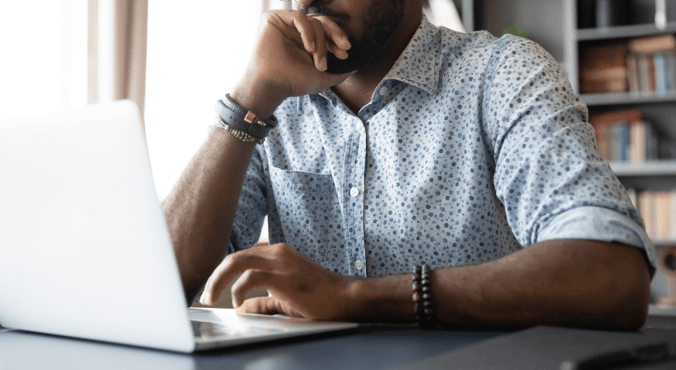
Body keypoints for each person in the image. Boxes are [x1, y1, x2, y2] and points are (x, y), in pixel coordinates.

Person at [163, 0, 656, 330]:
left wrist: (357, 297)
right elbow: (164, 281)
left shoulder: (501, 75)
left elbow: (611, 274)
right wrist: (249, 97)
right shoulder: (272, 102)